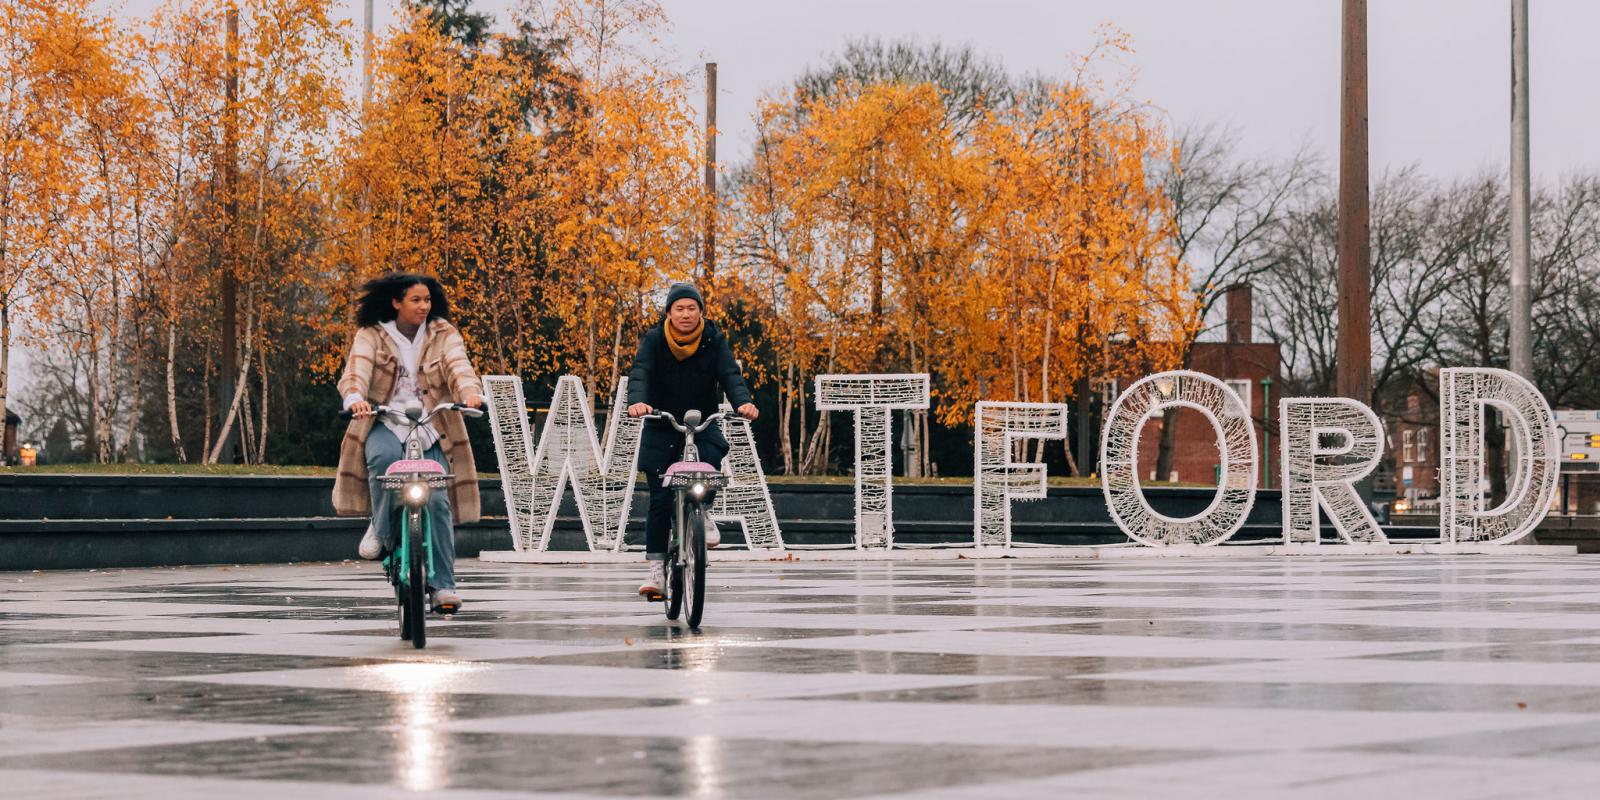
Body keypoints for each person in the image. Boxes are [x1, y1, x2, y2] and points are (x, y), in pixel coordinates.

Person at [333, 272, 485, 613]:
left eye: (427, 300)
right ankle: (382, 528)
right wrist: (356, 398)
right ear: (396, 303)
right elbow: (356, 371)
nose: (423, 306)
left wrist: (471, 393)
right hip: (386, 419)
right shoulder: (372, 334)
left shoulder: (442, 332)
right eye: (415, 300)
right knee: (382, 461)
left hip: (432, 424)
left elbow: (458, 366)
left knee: (438, 501)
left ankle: (444, 586)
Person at [626, 282, 757, 599]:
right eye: (679, 308)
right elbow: (640, 371)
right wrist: (639, 402)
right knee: (659, 499)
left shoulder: (714, 339)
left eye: (691, 307)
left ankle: (704, 513)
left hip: (702, 422)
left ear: (701, 311)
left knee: (710, 461)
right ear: (669, 312)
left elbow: (730, 375)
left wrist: (743, 402)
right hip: (662, 422)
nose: (686, 314)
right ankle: (656, 569)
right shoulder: (655, 340)